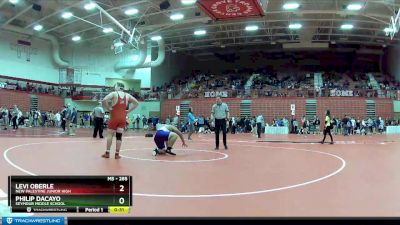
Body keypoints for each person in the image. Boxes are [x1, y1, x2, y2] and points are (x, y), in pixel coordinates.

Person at [101, 82, 139, 159]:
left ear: (117, 87)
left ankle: (107, 153)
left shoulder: (114, 93)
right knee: (119, 136)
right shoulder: (127, 95)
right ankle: (117, 154)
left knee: (110, 135)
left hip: (114, 117)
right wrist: (128, 111)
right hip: (123, 118)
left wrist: (108, 108)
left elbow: (104, 100)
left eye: (115, 86)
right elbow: (136, 103)